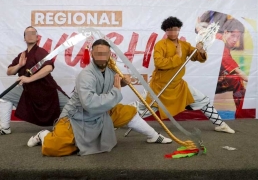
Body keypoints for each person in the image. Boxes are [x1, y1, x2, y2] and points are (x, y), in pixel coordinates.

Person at [27, 39, 172, 157]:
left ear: (110, 54)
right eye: (98, 54)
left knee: (127, 111)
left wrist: (122, 82)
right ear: (92, 54)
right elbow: (89, 104)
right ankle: (44, 135)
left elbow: (109, 84)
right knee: (55, 148)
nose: (102, 57)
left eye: (105, 54)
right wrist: (116, 90)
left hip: (102, 112)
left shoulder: (110, 69)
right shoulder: (86, 75)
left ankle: (153, 135)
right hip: (78, 117)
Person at [142, 16, 235, 133]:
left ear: (179, 29)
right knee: (145, 106)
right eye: (169, 29)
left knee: (203, 100)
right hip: (161, 85)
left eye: (175, 29)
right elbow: (159, 63)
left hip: (178, 85)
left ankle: (220, 124)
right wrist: (177, 56)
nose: (172, 32)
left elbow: (197, 57)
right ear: (165, 31)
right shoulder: (160, 45)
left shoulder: (184, 45)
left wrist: (200, 50)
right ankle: (121, 120)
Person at [0, 26, 69, 136]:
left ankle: (69, 128)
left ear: (37, 38)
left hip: (47, 90)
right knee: (4, 98)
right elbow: (9, 71)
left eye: (33, 33)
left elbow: (48, 68)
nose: (30, 36)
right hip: (29, 91)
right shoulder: (22, 55)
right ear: (24, 38)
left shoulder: (40, 52)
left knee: (71, 107)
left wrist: (29, 79)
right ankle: (4, 128)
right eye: (27, 34)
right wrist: (19, 65)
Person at [215, 19, 250, 118]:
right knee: (237, 79)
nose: (235, 40)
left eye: (238, 37)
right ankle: (241, 116)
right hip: (208, 79)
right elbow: (238, 72)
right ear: (225, 32)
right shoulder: (220, 45)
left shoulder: (218, 37)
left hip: (215, 77)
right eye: (233, 35)